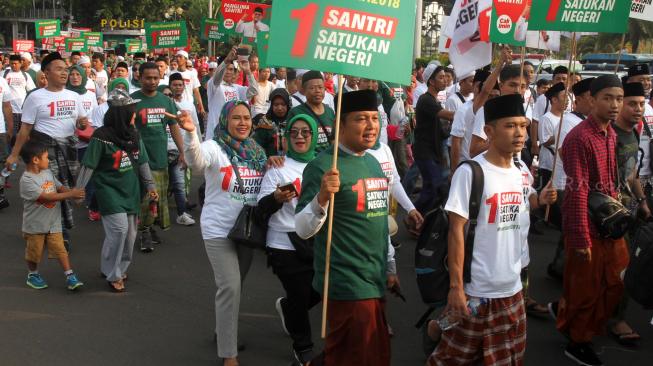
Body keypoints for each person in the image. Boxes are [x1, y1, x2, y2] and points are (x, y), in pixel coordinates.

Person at [429, 94, 556, 366]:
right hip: (477, 290)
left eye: (523, 125)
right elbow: (456, 232)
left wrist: (540, 199)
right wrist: (456, 288)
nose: (520, 133)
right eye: (510, 126)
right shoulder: (472, 172)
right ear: (488, 131)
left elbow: (526, 202)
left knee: (507, 357)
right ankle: (440, 325)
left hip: (512, 287)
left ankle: (440, 325)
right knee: (453, 358)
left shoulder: (521, 168)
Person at [296, 90, 394, 366]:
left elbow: (380, 219)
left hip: (374, 279)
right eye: (361, 119)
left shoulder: (373, 162)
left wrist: (390, 265)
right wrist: (322, 198)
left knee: (373, 356)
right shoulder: (322, 167)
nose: (371, 126)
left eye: (374, 118)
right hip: (346, 283)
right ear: (340, 124)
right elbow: (303, 228)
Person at [179, 101, 266, 366]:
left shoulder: (257, 151)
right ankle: (229, 353)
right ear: (225, 121)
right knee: (230, 286)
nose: (242, 123)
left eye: (246, 118)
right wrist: (191, 133)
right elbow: (196, 162)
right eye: (236, 118)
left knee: (235, 287)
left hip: (248, 232)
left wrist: (274, 160)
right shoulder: (215, 147)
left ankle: (222, 328)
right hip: (218, 230)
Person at [555, 75, 629, 366]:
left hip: (610, 222)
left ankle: (575, 321)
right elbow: (577, 192)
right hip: (588, 225)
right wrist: (580, 238)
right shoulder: (579, 138)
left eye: (619, 99)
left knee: (615, 282)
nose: (614, 105)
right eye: (608, 98)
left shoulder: (610, 134)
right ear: (592, 100)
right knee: (585, 288)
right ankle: (577, 340)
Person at [76, 89, 158, 292]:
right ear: (121, 115)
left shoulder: (134, 135)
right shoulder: (101, 136)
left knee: (129, 235)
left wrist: (151, 186)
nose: (134, 115)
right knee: (119, 231)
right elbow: (88, 165)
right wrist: (78, 191)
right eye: (131, 111)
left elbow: (143, 162)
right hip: (109, 190)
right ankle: (114, 275)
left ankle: (115, 267)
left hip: (131, 191)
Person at [6, 52, 89, 251]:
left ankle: (54, 231)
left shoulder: (74, 96)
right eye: (59, 69)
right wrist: (14, 154)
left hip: (68, 151)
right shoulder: (35, 97)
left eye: (66, 69)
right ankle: (58, 234)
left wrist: (82, 122)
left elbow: (82, 122)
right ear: (46, 73)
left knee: (65, 189)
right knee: (50, 191)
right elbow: (25, 129)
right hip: (44, 153)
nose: (64, 73)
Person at [257, 114, 320, 365]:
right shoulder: (277, 166)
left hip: (315, 239)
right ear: (287, 137)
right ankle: (303, 348)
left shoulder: (323, 165)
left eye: (306, 132)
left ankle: (288, 309)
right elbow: (261, 208)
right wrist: (275, 199)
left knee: (319, 289)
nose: (300, 137)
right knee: (300, 292)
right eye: (294, 132)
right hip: (283, 241)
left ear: (314, 135)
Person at [131, 62, 185, 252]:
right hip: (140, 160)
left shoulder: (166, 101)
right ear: (140, 77)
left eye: (156, 78)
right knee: (145, 199)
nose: (152, 81)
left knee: (157, 198)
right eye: (148, 78)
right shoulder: (132, 101)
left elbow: (174, 126)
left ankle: (150, 227)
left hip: (161, 158)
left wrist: (183, 152)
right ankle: (144, 232)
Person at [19, 140, 85, 290]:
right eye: (46, 157)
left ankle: (70, 275)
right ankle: (33, 274)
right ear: (35, 160)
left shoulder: (48, 173)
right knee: (34, 253)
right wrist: (70, 194)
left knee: (60, 248)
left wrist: (71, 193)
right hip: (35, 225)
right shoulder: (26, 180)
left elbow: (59, 186)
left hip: (53, 222)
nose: (49, 160)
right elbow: (46, 197)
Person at [413, 64, 455, 214]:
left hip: (433, 151)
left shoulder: (434, 100)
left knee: (432, 187)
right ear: (431, 81)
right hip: (425, 152)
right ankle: (413, 216)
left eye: (445, 77)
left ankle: (422, 220)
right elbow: (449, 115)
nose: (445, 80)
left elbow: (442, 129)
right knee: (434, 186)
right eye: (441, 77)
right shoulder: (426, 100)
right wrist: (468, 112)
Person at [205, 48, 258, 141]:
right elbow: (217, 77)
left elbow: (254, 91)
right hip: (215, 136)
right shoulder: (214, 85)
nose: (228, 72)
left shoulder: (237, 88)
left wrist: (248, 71)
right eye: (226, 69)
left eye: (231, 69)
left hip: (232, 136)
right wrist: (227, 60)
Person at [167, 72, 199, 226]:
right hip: (163, 148)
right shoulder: (164, 103)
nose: (178, 87)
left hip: (181, 149)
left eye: (180, 85)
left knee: (180, 184)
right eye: (175, 85)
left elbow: (195, 126)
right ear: (170, 86)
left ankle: (182, 213)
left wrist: (198, 144)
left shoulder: (189, 104)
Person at [449, 70, 490, 171]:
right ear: (476, 87)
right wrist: (454, 171)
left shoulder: (491, 109)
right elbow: (456, 142)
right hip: (468, 167)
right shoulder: (463, 110)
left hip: (486, 166)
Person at [287, 70, 336, 153]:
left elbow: (334, 139)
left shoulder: (330, 111)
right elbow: (288, 141)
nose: (317, 91)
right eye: (312, 88)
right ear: (304, 90)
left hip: (327, 162)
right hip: (305, 162)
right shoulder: (295, 112)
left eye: (320, 87)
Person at [538, 82, 566, 188]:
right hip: (548, 164)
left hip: (560, 164)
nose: (567, 100)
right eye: (564, 97)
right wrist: (562, 134)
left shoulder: (566, 117)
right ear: (554, 100)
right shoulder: (546, 118)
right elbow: (544, 141)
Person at [4, 54, 36, 138]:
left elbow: (32, 91)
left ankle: (21, 151)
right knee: (10, 135)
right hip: (10, 111)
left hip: (23, 111)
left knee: (23, 136)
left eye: (16, 63)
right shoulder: (4, 74)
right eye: (11, 63)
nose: (13, 65)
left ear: (20, 63)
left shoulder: (26, 76)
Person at [253, 88, 290, 157]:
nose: (279, 108)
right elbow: (255, 146)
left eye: (283, 104)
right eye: (276, 104)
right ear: (271, 106)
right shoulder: (264, 123)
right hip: (270, 163)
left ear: (288, 105)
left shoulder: (293, 122)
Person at [172, 50, 206, 120]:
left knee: (193, 128)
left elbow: (196, 92)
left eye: (180, 57)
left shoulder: (192, 74)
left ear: (186, 59)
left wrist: (201, 107)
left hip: (190, 106)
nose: (178, 59)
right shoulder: (171, 74)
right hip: (176, 106)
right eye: (177, 57)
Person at [0, 74, 15, 209]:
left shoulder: (1, 81)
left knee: (2, 163)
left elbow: (6, 105)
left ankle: (0, 195)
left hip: (0, 130)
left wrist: (10, 127)